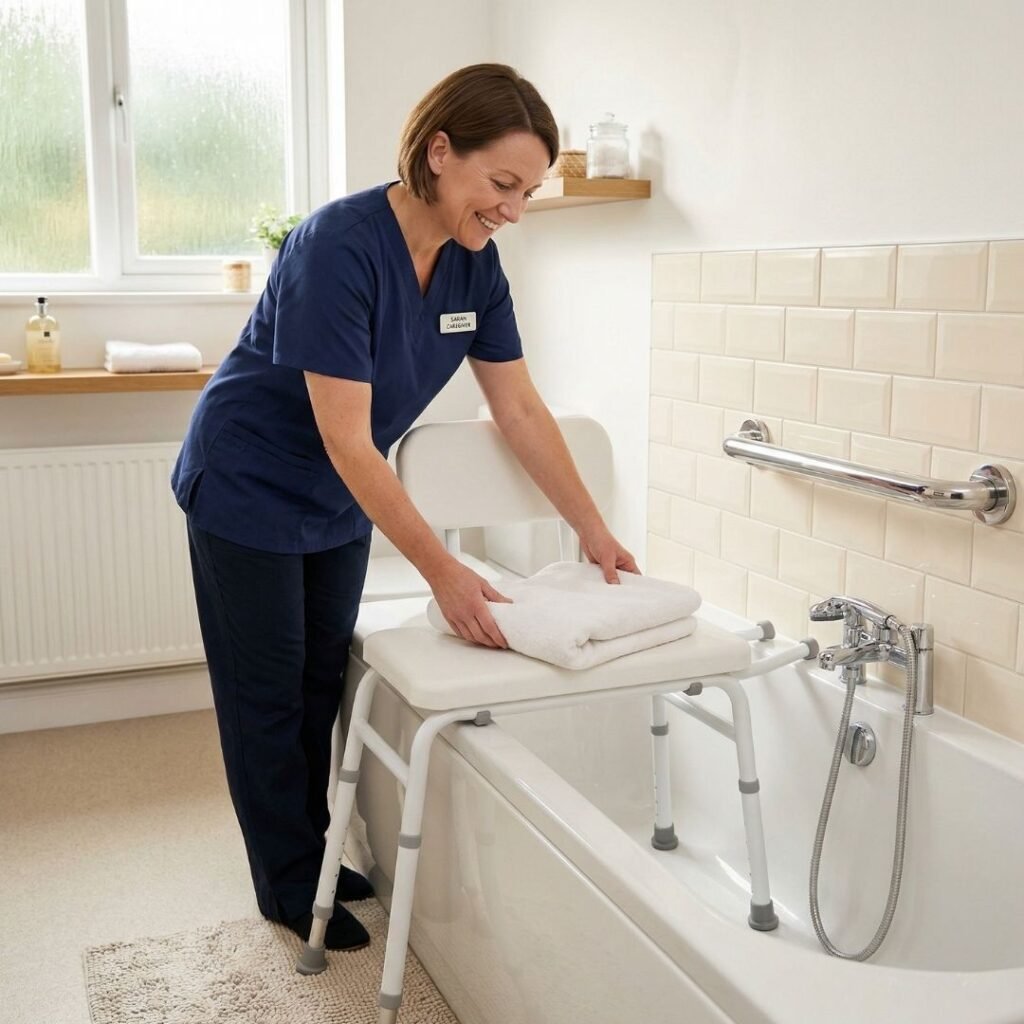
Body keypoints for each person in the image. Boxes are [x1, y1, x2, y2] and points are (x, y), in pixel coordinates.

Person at [171, 63, 638, 952]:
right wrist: (444, 571)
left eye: (528, 191)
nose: (513, 209)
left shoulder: (476, 267)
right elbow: (349, 438)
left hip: (343, 498)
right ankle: (286, 883)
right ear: (438, 152)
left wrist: (593, 527)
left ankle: (309, 852)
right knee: (265, 693)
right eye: (502, 184)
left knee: (319, 682)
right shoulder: (336, 247)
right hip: (250, 483)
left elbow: (520, 410)